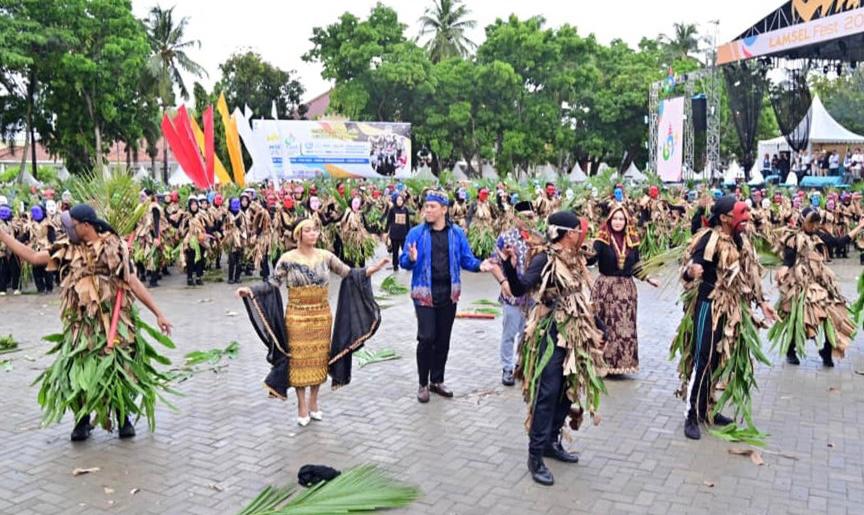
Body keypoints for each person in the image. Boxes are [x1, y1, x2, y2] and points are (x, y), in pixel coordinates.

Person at [0, 204, 173, 441]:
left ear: (86, 226)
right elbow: (32, 257)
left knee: (117, 366)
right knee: (79, 367)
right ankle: (81, 420)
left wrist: (158, 313)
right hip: (81, 324)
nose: (68, 227)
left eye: (72, 223)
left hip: (113, 320)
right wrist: (2, 235)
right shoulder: (67, 249)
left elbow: (132, 281)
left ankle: (123, 419)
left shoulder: (112, 246)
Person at [237, 219, 388, 426]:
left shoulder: (325, 256)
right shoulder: (287, 259)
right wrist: (251, 291)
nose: (313, 234)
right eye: (307, 231)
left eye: (315, 230)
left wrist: (373, 269)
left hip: (321, 316)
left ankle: (314, 402)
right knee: (299, 361)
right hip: (297, 316)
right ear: (298, 234)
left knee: (318, 360)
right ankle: (301, 405)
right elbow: (273, 283)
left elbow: (349, 273)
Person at [501, 211, 605, 486]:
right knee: (548, 392)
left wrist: (599, 328)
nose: (581, 234)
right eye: (577, 231)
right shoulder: (544, 258)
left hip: (575, 333)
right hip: (550, 332)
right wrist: (509, 267)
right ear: (567, 233)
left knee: (567, 390)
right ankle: (534, 457)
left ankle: (551, 442)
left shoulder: (575, 259)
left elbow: (582, 297)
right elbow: (521, 288)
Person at [673, 196, 776, 441]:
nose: (743, 217)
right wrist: (691, 272)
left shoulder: (740, 240)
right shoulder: (709, 239)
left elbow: (749, 276)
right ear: (724, 218)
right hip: (709, 305)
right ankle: (691, 415)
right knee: (704, 358)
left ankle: (706, 408)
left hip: (730, 309)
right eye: (737, 212)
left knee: (718, 359)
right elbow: (689, 269)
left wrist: (762, 303)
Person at [400, 189, 495, 403]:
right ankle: (423, 383)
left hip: (448, 293)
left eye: (432, 206)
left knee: (443, 339)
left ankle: (437, 379)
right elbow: (404, 261)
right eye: (426, 206)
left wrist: (481, 265)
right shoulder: (416, 233)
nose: (428, 210)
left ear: (444, 209)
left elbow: (466, 259)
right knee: (426, 338)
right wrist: (411, 258)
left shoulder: (456, 234)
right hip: (424, 294)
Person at [772, 208, 864, 366]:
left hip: (820, 283)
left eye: (817, 222)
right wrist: (784, 269)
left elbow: (838, 242)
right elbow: (789, 259)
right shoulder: (793, 237)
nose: (815, 225)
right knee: (800, 315)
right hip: (801, 282)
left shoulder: (819, 236)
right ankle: (790, 350)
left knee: (832, 313)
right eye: (811, 222)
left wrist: (859, 227)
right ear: (802, 221)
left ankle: (827, 351)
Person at [591, 203, 659, 376]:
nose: (618, 222)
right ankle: (602, 363)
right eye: (615, 218)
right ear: (609, 220)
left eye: (621, 219)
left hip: (627, 292)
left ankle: (621, 364)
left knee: (624, 328)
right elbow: (591, 258)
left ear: (627, 221)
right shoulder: (601, 240)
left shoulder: (632, 241)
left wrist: (648, 278)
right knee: (605, 325)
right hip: (606, 290)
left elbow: (636, 265)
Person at [489, 201, 537, 386]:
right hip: (512, 297)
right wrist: (503, 282)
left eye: (531, 217)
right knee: (509, 333)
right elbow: (494, 263)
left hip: (533, 297)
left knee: (528, 333)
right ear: (516, 218)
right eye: (524, 217)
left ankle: (522, 365)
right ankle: (507, 368)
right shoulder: (506, 238)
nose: (528, 221)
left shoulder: (538, 239)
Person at [386, 193, 411, 271]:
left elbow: (407, 222)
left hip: (403, 234)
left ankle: (407, 264)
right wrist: (385, 231)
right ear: (395, 200)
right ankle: (395, 265)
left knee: (405, 250)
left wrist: (409, 232)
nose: (399, 201)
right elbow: (388, 221)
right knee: (395, 251)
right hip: (394, 234)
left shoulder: (405, 209)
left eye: (401, 200)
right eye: (398, 200)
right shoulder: (392, 209)